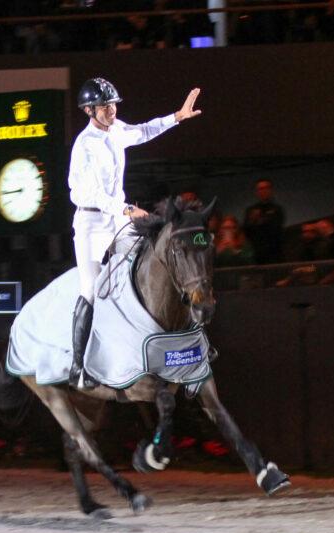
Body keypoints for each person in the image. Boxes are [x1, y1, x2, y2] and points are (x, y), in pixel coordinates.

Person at [67, 76, 201, 388]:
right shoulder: (84, 146)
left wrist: (176, 118)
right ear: (89, 110)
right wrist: (126, 209)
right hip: (90, 224)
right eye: (104, 106)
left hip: (116, 219)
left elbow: (143, 131)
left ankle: (186, 335)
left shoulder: (115, 130)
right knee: (88, 290)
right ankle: (78, 366)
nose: (111, 109)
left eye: (113, 104)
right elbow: (89, 194)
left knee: (155, 254)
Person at [242, 178, 287, 265]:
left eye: (266, 188)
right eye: (261, 189)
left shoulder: (277, 209)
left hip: (274, 254)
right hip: (256, 255)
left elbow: (275, 229)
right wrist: (253, 220)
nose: (264, 191)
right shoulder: (250, 210)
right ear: (257, 192)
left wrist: (259, 221)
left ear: (271, 190)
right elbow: (246, 230)